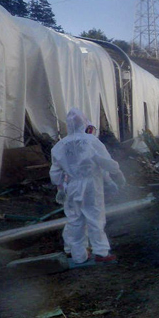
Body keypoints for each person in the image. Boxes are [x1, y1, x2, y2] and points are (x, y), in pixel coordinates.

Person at [49, 108, 126, 264]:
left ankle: (79, 256)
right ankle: (101, 252)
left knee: (75, 220)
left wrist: (60, 188)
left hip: (71, 185)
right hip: (91, 184)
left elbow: (55, 172)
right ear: (84, 123)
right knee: (95, 217)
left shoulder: (59, 146)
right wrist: (117, 174)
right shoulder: (91, 141)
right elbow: (105, 162)